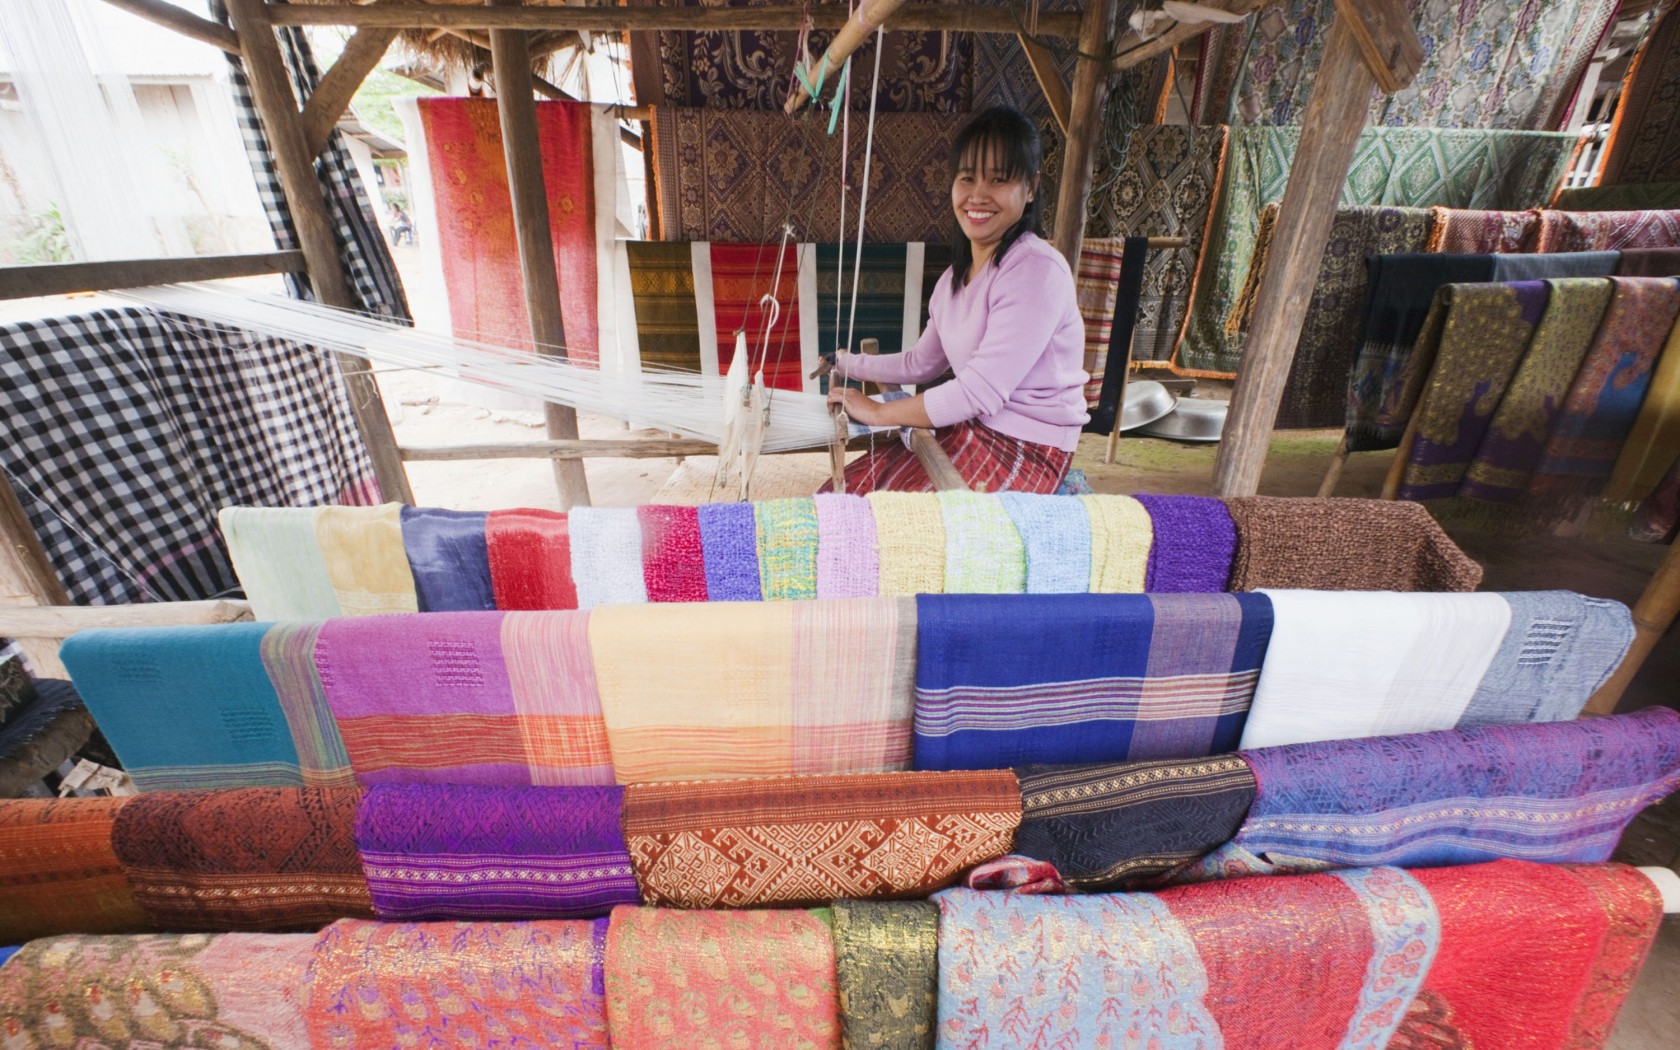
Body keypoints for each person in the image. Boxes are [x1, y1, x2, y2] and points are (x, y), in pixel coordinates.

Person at [819, 106, 1088, 494]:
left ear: (1030, 188)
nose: (978, 195)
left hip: (1027, 448)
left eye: (999, 180)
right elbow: (920, 362)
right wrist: (847, 363)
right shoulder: (952, 282)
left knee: (894, 524)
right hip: (974, 428)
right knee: (841, 495)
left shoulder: (1037, 270)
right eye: (967, 179)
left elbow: (978, 391)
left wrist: (878, 411)